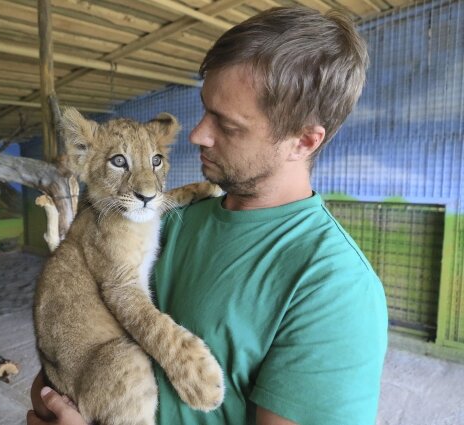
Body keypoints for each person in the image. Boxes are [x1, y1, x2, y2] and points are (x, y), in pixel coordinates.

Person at [27, 6, 388, 425]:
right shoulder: (169, 218)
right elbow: (67, 358)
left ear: (303, 141)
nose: (197, 134)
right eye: (205, 108)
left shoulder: (336, 288)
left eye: (227, 124)